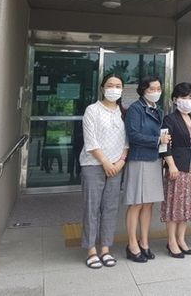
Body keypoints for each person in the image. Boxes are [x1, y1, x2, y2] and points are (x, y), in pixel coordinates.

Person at [79, 73, 128, 269]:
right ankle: (91, 249)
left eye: (118, 86)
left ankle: (105, 248)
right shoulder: (92, 110)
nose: (114, 89)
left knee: (110, 208)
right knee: (91, 208)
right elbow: (90, 141)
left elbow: (127, 141)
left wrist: (121, 162)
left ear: (122, 89)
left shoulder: (123, 112)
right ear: (102, 88)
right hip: (93, 164)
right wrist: (106, 163)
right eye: (110, 85)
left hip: (117, 167)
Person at [123, 75, 170, 263]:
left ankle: (144, 242)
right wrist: (157, 140)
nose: (156, 92)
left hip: (154, 159)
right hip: (139, 159)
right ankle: (132, 244)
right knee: (136, 203)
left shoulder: (158, 110)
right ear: (143, 90)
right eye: (152, 89)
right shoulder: (135, 108)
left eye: (159, 89)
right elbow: (133, 135)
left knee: (149, 203)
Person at [161, 82, 191, 258]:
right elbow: (164, 145)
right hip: (176, 166)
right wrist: (171, 164)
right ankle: (171, 241)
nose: (188, 101)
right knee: (174, 205)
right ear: (176, 99)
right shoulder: (169, 119)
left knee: (187, 205)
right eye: (184, 97)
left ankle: (181, 239)